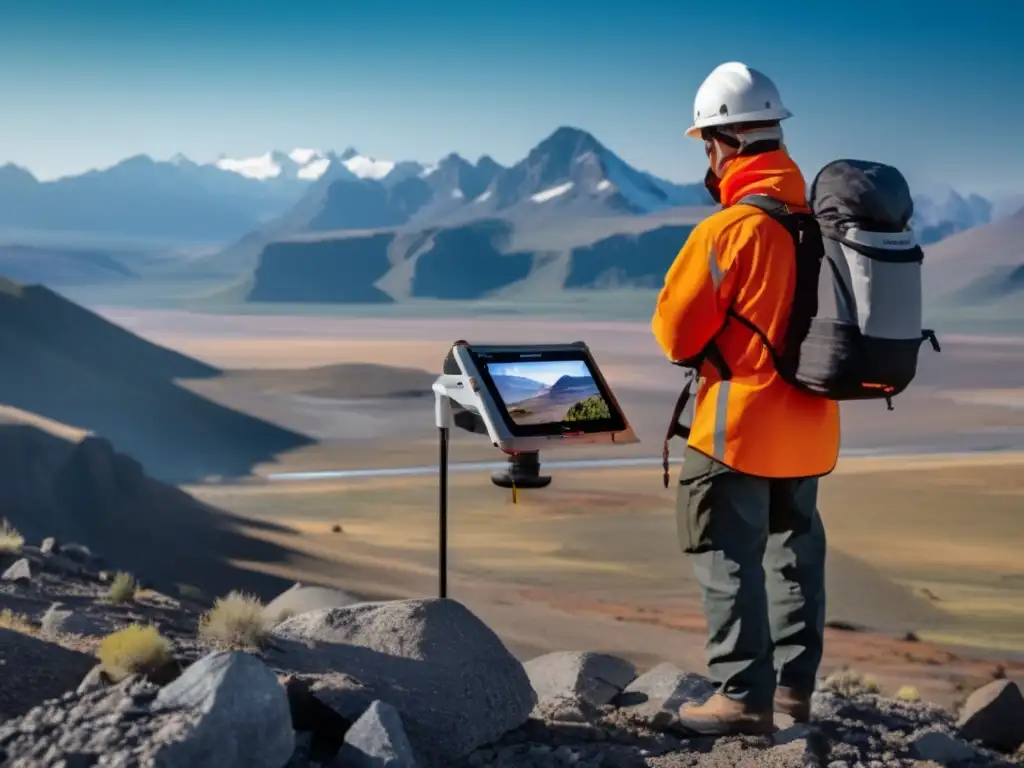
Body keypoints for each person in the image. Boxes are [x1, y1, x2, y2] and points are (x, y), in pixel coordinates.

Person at [651, 62, 841, 735]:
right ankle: (792, 694)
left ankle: (740, 696)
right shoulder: (819, 223)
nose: (707, 156)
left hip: (738, 429)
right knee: (794, 558)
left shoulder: (729, 230)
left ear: (724, 143)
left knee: (722, 553)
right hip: (811, 426)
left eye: (706, 143)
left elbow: (675, 335)